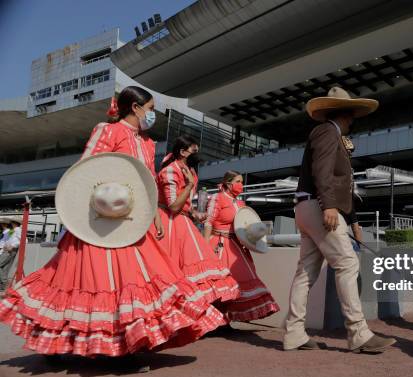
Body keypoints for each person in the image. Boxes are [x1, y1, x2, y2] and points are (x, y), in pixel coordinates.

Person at [0, 86, 226, 361]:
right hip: (99, 221)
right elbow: (88, 169)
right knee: (86, 283)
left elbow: (146, 185)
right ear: (135, 108)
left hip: (132, 220)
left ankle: (126, 345)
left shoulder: (146, 143)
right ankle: (61, 342)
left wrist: (153, 215)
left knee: (130, 282)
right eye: (151, 108)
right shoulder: (107, 131)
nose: (152, 114)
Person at [283, 87, 396, 353]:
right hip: (317, 205)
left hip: (306, 206)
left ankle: (294, 333)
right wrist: (329, 205)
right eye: (353, 115)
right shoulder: (327, 131)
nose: (354, 120)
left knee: (306, 272)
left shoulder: (328, 133)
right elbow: (322, 169)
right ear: (346, 114)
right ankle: (358, 334)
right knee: (346, 263)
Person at [157, 136, 240, 308]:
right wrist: (188, 186)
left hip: (183, 222)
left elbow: (183, 205)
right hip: (169, 223)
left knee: (192, 270)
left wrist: (194, 212)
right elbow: (173, 206)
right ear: (182, 152)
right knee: (173, 271)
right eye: (194, 150)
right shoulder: (171, 171)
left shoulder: (190, 171)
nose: (198, 154)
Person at [203, 171, 280, 321]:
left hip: (236, 247)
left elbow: (245, 227)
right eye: (238, 181)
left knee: (238, 283)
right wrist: (205, 247)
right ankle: (215, 321)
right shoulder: (217, 198)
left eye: (242, 182)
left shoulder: (240, 203)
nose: (241, 185)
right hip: (218, 244)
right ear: (228, 183)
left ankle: (226, 321)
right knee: (218, 284)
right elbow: (208, 222)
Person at [0, 216, 21, 292]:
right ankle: (2, 286)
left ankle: (3, 284)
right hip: (8, 250)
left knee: (3, 267)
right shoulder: (14, 230)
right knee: (4, 268)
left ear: (14, 223)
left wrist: (12, 246)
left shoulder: (17, 230)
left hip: (9, 251)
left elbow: (24, 240)